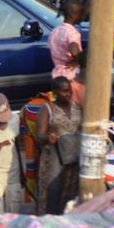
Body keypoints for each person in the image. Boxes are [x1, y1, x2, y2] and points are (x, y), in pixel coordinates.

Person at [35, 77, 81, 215]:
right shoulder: (47, 109)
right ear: (55, 92)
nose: (68, 94)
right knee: (53, 191)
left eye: (69, 91)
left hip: (72, 157)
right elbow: (39, 136)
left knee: (70, 191)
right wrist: (48, 138)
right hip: (54, 158)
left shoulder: (77, 107)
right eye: (64, 92)